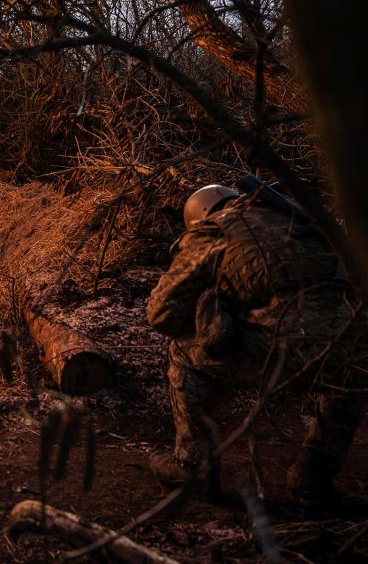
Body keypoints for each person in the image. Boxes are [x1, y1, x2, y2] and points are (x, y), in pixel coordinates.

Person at [147, 183, 365, 499]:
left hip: (283, 345)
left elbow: (161, 314)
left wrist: (213, 308)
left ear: (199, 215)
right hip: (353, 346)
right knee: (349, 365)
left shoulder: (215, 231)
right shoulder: (300, 221)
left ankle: (193, 467)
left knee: (182, 351)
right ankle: (314, 474)